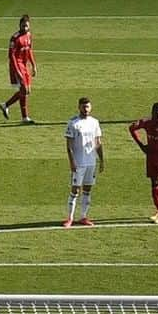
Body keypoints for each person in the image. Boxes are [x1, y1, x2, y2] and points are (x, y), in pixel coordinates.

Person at [62, 96, 104, 228]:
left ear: (90, 108)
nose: (86, 109)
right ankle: (69, 218)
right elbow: (68, 146)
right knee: (75, 191)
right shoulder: (73, 123)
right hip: (79, 163)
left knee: (87, 190)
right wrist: (72, 162)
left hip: (91, 162)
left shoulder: (95, 122)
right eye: (83, 106)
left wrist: (102, 160)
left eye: (88, 106)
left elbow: (98, 143)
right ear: (79, 107)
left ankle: (83, 217)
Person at [0, 14, 37, 124]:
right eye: (23, 26)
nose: (25, 28)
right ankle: (25, 118)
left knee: (27, 91)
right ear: (19, 25)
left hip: (25, 66)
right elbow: (11, 56)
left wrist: (34, 65)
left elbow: (29, 50)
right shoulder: (15, 38)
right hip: (17, 65)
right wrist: (18, 72)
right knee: (24, 90)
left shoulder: (29, 35)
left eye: (26, 26)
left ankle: (5, 105)